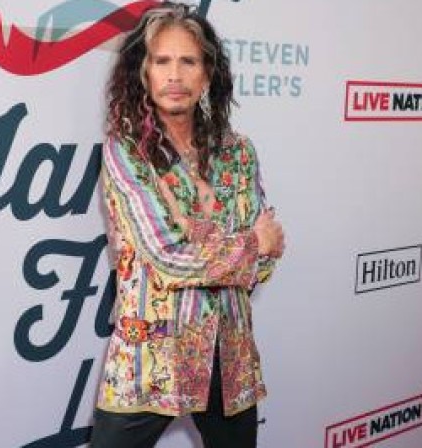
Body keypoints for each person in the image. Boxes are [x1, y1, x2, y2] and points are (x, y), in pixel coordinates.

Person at [91, 3, 285, 447]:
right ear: (144, 72)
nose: (174, 75)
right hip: (151, 356)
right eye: (162, 61)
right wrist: (249, 244)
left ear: (207, 74)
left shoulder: (238, 151)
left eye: (188, 61)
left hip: (228, 353)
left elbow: (266, 261)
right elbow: (167, 257)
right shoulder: (127, 151)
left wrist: (241, 248)